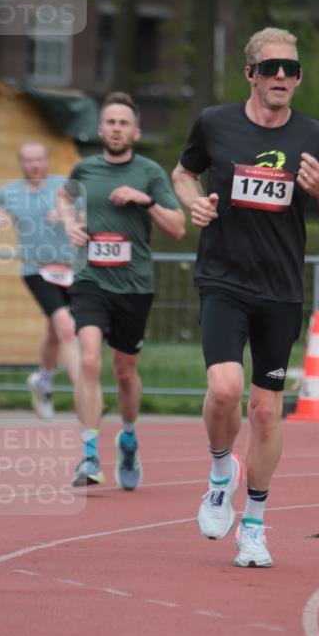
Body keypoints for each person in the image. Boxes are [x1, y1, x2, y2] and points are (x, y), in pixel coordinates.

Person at [172, 27, 319, 567]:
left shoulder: (313, 134)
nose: (282, 77)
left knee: (267, 413)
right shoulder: (214, 123)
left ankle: (253, 523)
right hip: (224, 279)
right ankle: (218, 470)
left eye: (291, 69)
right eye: (271, 67)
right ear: (250, 73)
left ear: (298, 78)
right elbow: (183, 173)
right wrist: (193, 203)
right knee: (224, 388)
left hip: (280, 289)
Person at [59, 91, 185, 489]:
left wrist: (143, 200)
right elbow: (62, 200)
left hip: (133, 284)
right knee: (90, 360)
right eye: (110, 122)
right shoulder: (84, 170)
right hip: (89, 279)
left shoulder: (149, 172)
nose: (116, 128)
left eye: (123, 123)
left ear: (136, 131)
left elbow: (178, 227)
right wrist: (68, 224)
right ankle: (89, 454)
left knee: (124, 373)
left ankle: (128, 437)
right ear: (100, 129)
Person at [0, 143, 79, 418]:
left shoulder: (64, 186)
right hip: (36, 270)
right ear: (21, 163)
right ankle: (85, 393)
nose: (34, 165)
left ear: (46, 161)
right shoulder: (10, 192)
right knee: (66, 327)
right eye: (28, 160)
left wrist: (66, 214)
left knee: (54, 332)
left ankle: (43, 380)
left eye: (38, 159)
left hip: (69, 268)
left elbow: (87, 216)